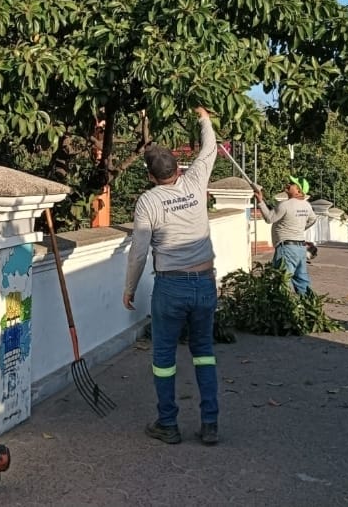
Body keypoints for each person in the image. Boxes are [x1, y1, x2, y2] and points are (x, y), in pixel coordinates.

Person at [124, 106, 219, 447]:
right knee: (203, 352)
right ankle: (210, 423)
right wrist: (204, 118)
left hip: (170, 286)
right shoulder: (194, 181)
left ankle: (168, 423)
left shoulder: (148, 201)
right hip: (204, 282)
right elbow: (209, 148)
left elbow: (139, 251)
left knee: (164, 358)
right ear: (179, 169)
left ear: (151, 177)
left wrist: (129, 288)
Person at [254, 177, 314, 295]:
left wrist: (260, 201)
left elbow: (269, 218)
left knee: (281, 280)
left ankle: (282, 303)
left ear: (298, 191)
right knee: (301, 280)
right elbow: (313, 219)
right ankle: (308, 302)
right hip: (300, 248)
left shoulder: (285, 204)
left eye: (292, 184)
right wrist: (300, 228)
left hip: (287, 249)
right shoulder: (307, 206)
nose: (288, 184)